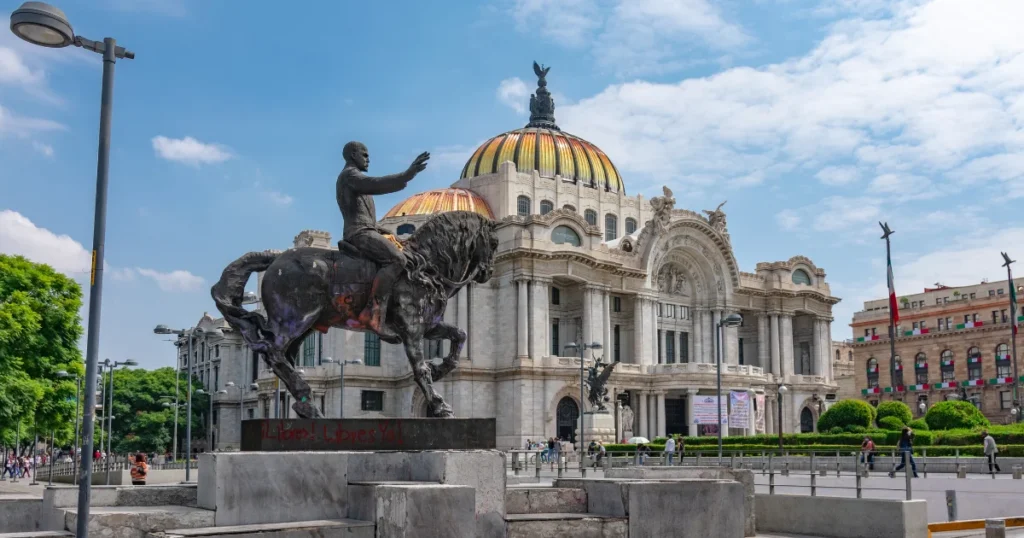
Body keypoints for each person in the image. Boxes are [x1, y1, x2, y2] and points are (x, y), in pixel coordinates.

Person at [336, 141, 430, 340]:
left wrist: (393, 235)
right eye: (365, 154)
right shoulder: (350, 176)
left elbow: (370, 221)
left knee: (406, 256)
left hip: (367, 229)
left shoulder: (354, 179)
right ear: (353, 155)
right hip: (359, 233)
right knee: (397, 260)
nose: (368, 159)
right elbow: (378, 184)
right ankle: (373, 313)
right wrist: (407, 174)